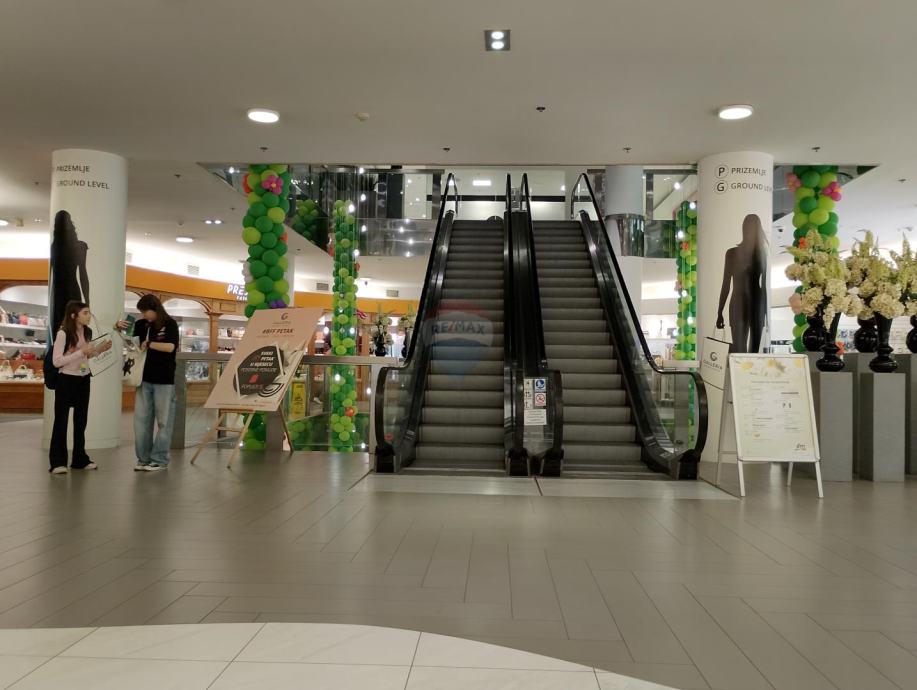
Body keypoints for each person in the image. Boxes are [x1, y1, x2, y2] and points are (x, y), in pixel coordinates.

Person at [49, 301, 110, 474]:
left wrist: (99, 350)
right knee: (61, 421)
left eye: (89, 312)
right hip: (66, 380)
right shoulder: (63, 333)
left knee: (81, 421)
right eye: (85, 313)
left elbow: (85, 356)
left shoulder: (87, 332)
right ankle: (58, 462)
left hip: (83, 379)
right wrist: (81, 352)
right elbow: (57, 361)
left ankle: (80, 459)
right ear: (74, 315)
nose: (89, 316)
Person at [119, 295, 179, 471]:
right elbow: (130, 342)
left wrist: (150, 343)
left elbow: (170, 347)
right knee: (141, 421)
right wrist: (119, 328)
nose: (144, 315)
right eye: (142, 312)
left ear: (155, 308)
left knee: (164, 421)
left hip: (164, 380)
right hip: (143, 379)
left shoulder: (170, 324)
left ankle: (159, 459)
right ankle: (143, 458)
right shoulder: (140, 324)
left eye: (146, 311)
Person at [715, 213, 768, 353]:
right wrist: (719, 312)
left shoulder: (761, 254)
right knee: (740, 350)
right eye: (748, 227)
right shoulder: (732, 253)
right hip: (740, 304)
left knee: (752, 351)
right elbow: (726, 284)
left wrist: (766, 315)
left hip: (756, 304)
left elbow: (764, 286)